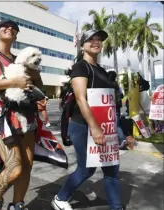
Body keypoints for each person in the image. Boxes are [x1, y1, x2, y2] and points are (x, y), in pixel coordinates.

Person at [0, 19, 68, 210]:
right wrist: (14, 83)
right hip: (4, 116)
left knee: (27, 165)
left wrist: (34, 75)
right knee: (14, 168)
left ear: (17, 35)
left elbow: (39, 87)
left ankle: (17, 205)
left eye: (14, 28)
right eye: (4, 26)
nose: (9, 28)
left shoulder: (23, 59)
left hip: (27, 115)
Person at [51, 29, 123, 210]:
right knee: (87, 169)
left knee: (112, 169)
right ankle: (60, 198)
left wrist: (120, 131)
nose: (96, 42)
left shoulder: (102, 70)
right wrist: (94, 127)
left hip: (106, 126)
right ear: (82, 45)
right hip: (83, 126)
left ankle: (116, 207)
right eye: (91, 39)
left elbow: (109, 104)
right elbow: (81, 98)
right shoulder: (81, 67)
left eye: (99, 39)